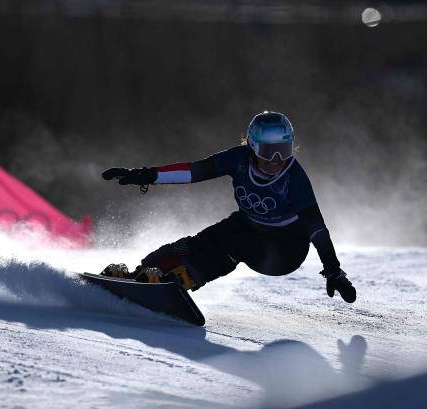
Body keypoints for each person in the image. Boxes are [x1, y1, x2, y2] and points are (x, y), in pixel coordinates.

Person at [101, 111, 356, 303]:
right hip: (250, 225)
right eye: (269, 151)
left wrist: (333, 270)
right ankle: (143, 274)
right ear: (253, 147)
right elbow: (193, 171)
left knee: (233, 245)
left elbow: (317, 229)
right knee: (202, 241)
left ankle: (178, 281)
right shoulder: (237, 159)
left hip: (285, 250)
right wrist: (146, 175)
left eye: (284, 150)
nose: (277, 160)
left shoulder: (294, 178)